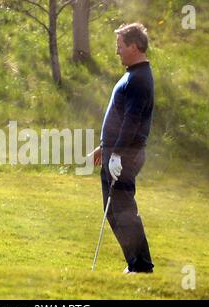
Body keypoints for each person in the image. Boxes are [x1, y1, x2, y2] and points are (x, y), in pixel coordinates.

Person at [90, 23, 155, 274]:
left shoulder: (139, 79)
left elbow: (131, 122)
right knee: (116, 212)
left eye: (120, 46)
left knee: (123, 211)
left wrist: (116, 153)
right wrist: (104, 148)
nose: (117, 52)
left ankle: (141, 266)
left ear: (135, 47)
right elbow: (120, 119)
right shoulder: (133, 74)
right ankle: (136, 264)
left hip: (125, 155)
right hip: (117, 152)